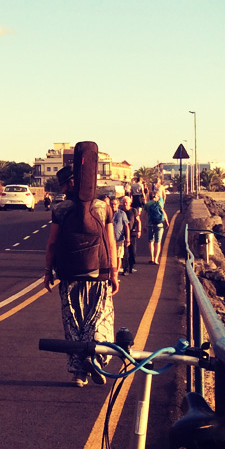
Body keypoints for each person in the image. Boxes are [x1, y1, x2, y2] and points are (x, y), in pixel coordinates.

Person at [44, 162, 119, 388]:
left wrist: (48, 271)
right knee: (100, 320)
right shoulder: (103, 207)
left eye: (63, 185)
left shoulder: (60, 209)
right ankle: (94, 359)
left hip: (69, 275)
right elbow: (110, 242)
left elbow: (52, 244)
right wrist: (114, 272)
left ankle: (78, 373)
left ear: (69, 184)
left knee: (73, 323)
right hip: (99, 275)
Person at [144, 193, 170, 265]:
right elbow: (163, 212)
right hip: (159, 225)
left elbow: (144, 215)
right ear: (156, 197)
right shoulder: (159, 203)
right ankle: (156, 259)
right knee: (158, 242)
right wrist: (167, 222)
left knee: (150, 241)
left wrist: (144, 225)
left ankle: (151, 258)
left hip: (150, 224)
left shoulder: (147, 204)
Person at [111, 196, 130, 276]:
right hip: (110, 240)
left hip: (120, 238)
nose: (113, 206)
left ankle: (116, 272)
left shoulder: (122, 214)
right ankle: (111, 270)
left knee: (119, 256)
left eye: (115, 204)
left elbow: (126, 226)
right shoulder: (108, 213)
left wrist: (128, 238)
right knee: (111, 256)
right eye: (112, 204)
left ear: (118, 205)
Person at [121, 195, 140, 274]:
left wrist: (139, 231)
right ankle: (125, 268)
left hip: (132, 233)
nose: (125, 204)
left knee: (132, 251)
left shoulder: (134, 211)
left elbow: (138, 221)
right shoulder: (121, 211)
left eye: (126, 202)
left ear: (130, 203)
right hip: (123, 234)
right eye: (124, 203)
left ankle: (131, 266)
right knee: (125, 253)